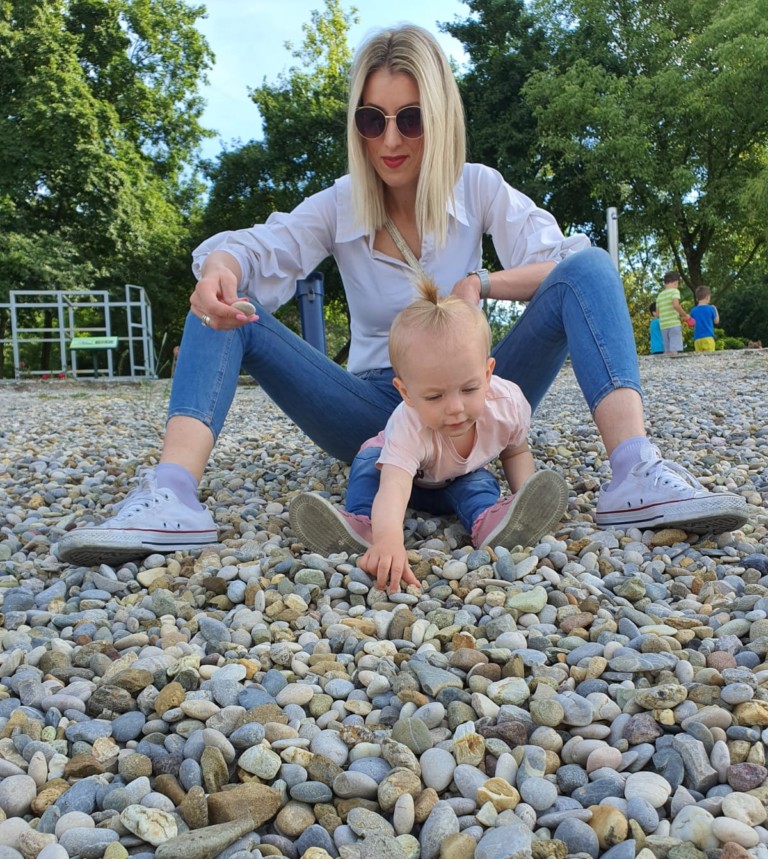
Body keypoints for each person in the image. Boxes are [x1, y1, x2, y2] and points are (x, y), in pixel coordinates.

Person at [56, 24, 750, 567]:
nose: (390, 140)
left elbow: (566, 265)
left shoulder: (477, 187)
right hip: (371, 407)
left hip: (472, 393)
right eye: (372, 119)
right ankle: (172, 493)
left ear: (439, 118)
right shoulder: (339, 204)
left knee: (593, 267)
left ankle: (635, 471)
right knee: (226, 299)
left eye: (410, 119)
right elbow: (258, 248)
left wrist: (482, 284)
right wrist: (221, 266)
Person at [289, 278, 569, 591]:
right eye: (435, 397)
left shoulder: (507, 404)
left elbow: (515, 451)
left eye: (469, 389)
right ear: (406, 393)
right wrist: (389, 539)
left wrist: (524, 495)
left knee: (479, 483)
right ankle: (365, 528)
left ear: (488, 373)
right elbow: (394, 486)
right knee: (368, 467)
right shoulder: (408, 424)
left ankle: (493, 522)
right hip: (398, 476)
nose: (455, 408)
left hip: (457, 478)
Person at [655, 270, 688, 357]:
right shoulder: (674, 291)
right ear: (676, 282)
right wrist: (684, 315)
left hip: (663, 325)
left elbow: (657, 314)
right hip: (673, 324)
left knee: (667, 350)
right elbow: (675, 305)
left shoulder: (659, 296)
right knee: (674, 350)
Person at [690, 285, 719, 352]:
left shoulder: (693, 311)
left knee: (699, 357)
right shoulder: (710, 308)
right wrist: (715, 309)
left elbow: (692, 324)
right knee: (710, 357)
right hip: (708, 338)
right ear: (707, 297)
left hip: (697, 339)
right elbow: (716, 321)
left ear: (697, 298)